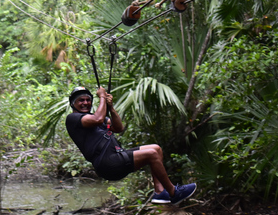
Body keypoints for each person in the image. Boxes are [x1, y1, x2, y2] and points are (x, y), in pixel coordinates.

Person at [65, 86, 197, 204]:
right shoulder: (73, 119)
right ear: (73, 104)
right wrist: (102, 97)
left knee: (156, 149)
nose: (85, 103)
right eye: (81, 100)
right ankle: (174, 192)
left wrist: (110, 107)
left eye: (88, 100)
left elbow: (118, 127)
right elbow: (98, 118)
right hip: (106, 164)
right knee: (151, 155)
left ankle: (160, 192)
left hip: (115, 156)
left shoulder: (99, 119)